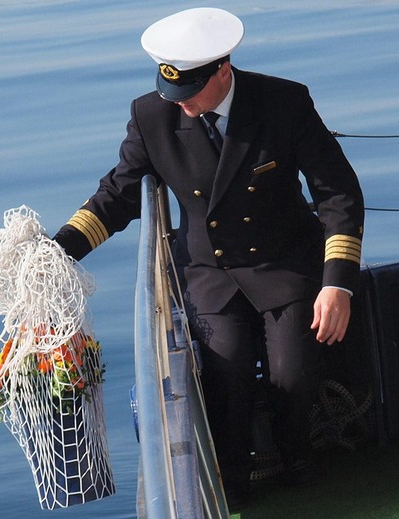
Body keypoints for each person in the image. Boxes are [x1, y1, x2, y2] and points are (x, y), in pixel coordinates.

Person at [52, 7, 364, 511]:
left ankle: (300, 464)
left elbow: (338, 194)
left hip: (283, 262)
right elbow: (118, 194)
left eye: (191, 92)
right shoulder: (153, 114)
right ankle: (232, 481)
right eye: (173, 92)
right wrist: (56, 250)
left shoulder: (283, 101)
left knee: (291, 373)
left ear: (223, 70)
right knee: (226, 371)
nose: (184, 105)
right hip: (208, 271)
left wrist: (338, 283)